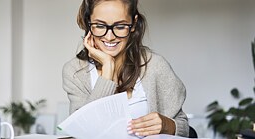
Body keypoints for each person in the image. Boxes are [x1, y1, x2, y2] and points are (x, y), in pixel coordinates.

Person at [62, 0, 189, 137]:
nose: (109, 37)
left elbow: (184, 128)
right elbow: (84, 132)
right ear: (89, 23)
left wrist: (166, 125)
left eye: (120, 26)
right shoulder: (75, 71)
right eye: (99, 25)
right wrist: (108, 68)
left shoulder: (155, 65)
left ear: (133, 24)